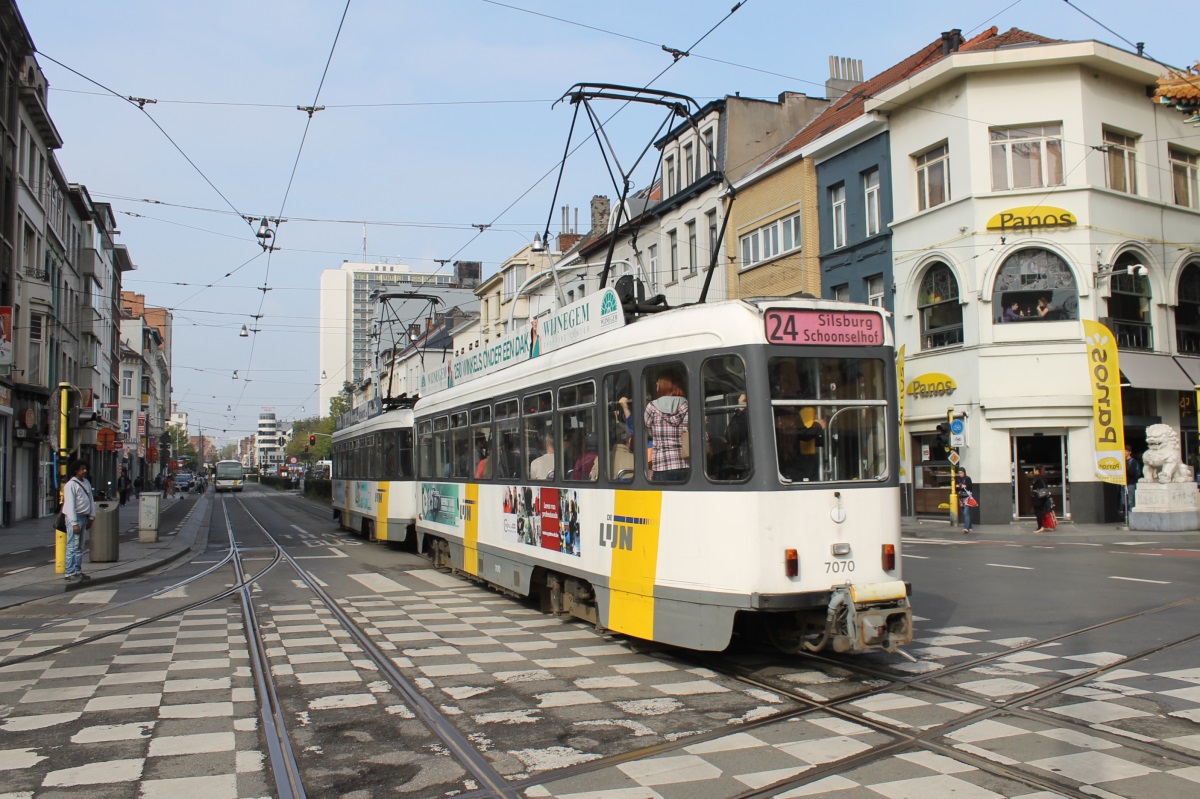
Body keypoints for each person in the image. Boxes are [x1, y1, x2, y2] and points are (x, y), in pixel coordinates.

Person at [644, 367, 689, 482]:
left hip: (662, 465)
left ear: (663, 385)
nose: (656, 386)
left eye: (658, 383)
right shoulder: (687, 405)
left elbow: (648, 432)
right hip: (685, 464)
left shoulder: (652, 407)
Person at [62, 460, 95, 582]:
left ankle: (77, 570)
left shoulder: (86, 482)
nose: (84, 471)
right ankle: (69, 572)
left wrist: (91, 516)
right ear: (76, 470)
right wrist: (74, 523)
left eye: (85, 468)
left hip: (84, 517)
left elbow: (90, 499)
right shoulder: (71, 485)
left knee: (80, 546)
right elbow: (70, 505)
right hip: (75, 518)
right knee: (72, 545)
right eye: (82, 469)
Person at [1030, 465, 1056, 533]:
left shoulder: (1038, 478)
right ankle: (1044, 526)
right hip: (1043, 497)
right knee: (1042, 512)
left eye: (1035, 470)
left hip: (1038, 498)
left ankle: (1040, 527)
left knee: (1038, 512)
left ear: (1037, 471)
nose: (1034, 472)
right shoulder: (1044, 477)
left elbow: (1037, 487)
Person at [1121, 447, 1140, 518]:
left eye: (1126, 451)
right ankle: (1126, 517)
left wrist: (1127, 469)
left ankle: (1131, 517)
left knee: (1130, 501)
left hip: (1130, 483)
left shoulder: (1132, 461)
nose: (1124, 453)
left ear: (1129, 452)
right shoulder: (1122, 461)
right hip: (1123, 483)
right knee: (1124, 501)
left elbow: (1133, 473)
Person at [955, 467, 975, 533]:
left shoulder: (967, 478)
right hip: (961, 497)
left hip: (967, 497)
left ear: (964, 472)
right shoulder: (958, 479)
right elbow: (957, 488)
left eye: (961, 473)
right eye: (959, 473)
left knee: (966, 512)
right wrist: (959, 487)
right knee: (964, 513)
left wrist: (965, 486)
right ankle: (970, 526)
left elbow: (970, 487)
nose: (960, 474)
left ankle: (966, 528)